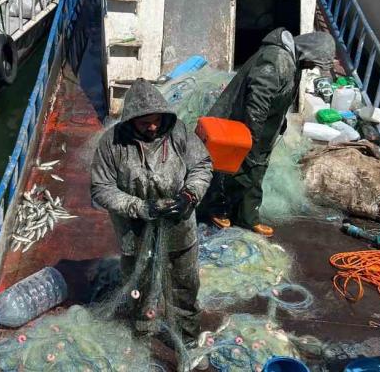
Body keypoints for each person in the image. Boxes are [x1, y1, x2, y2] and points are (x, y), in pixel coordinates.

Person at [91, 78, 213, 343]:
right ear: (131, 120)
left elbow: (202, 166)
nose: (153, 127)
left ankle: (186, 335)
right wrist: (140, 207)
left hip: (179, 228)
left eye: (157, 120)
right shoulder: (111, 143)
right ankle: (143, 330)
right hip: (134, 232)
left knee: (184, 285)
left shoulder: (179, 132)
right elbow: (101, 188)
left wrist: (189, 196)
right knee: (140, 283)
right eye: (145, 122)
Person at [200, 28, 336, 236]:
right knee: (232, 168)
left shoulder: (293, 62)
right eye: (313, 62)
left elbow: (281, 95)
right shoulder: (276, 59)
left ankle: (248, 217)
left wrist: (279, 123)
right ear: (307, 52)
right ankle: (218, 209)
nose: (311, 67)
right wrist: (252, 135)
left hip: (264, 129)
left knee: (256, 170)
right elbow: (258, 99)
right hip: (242, 124)